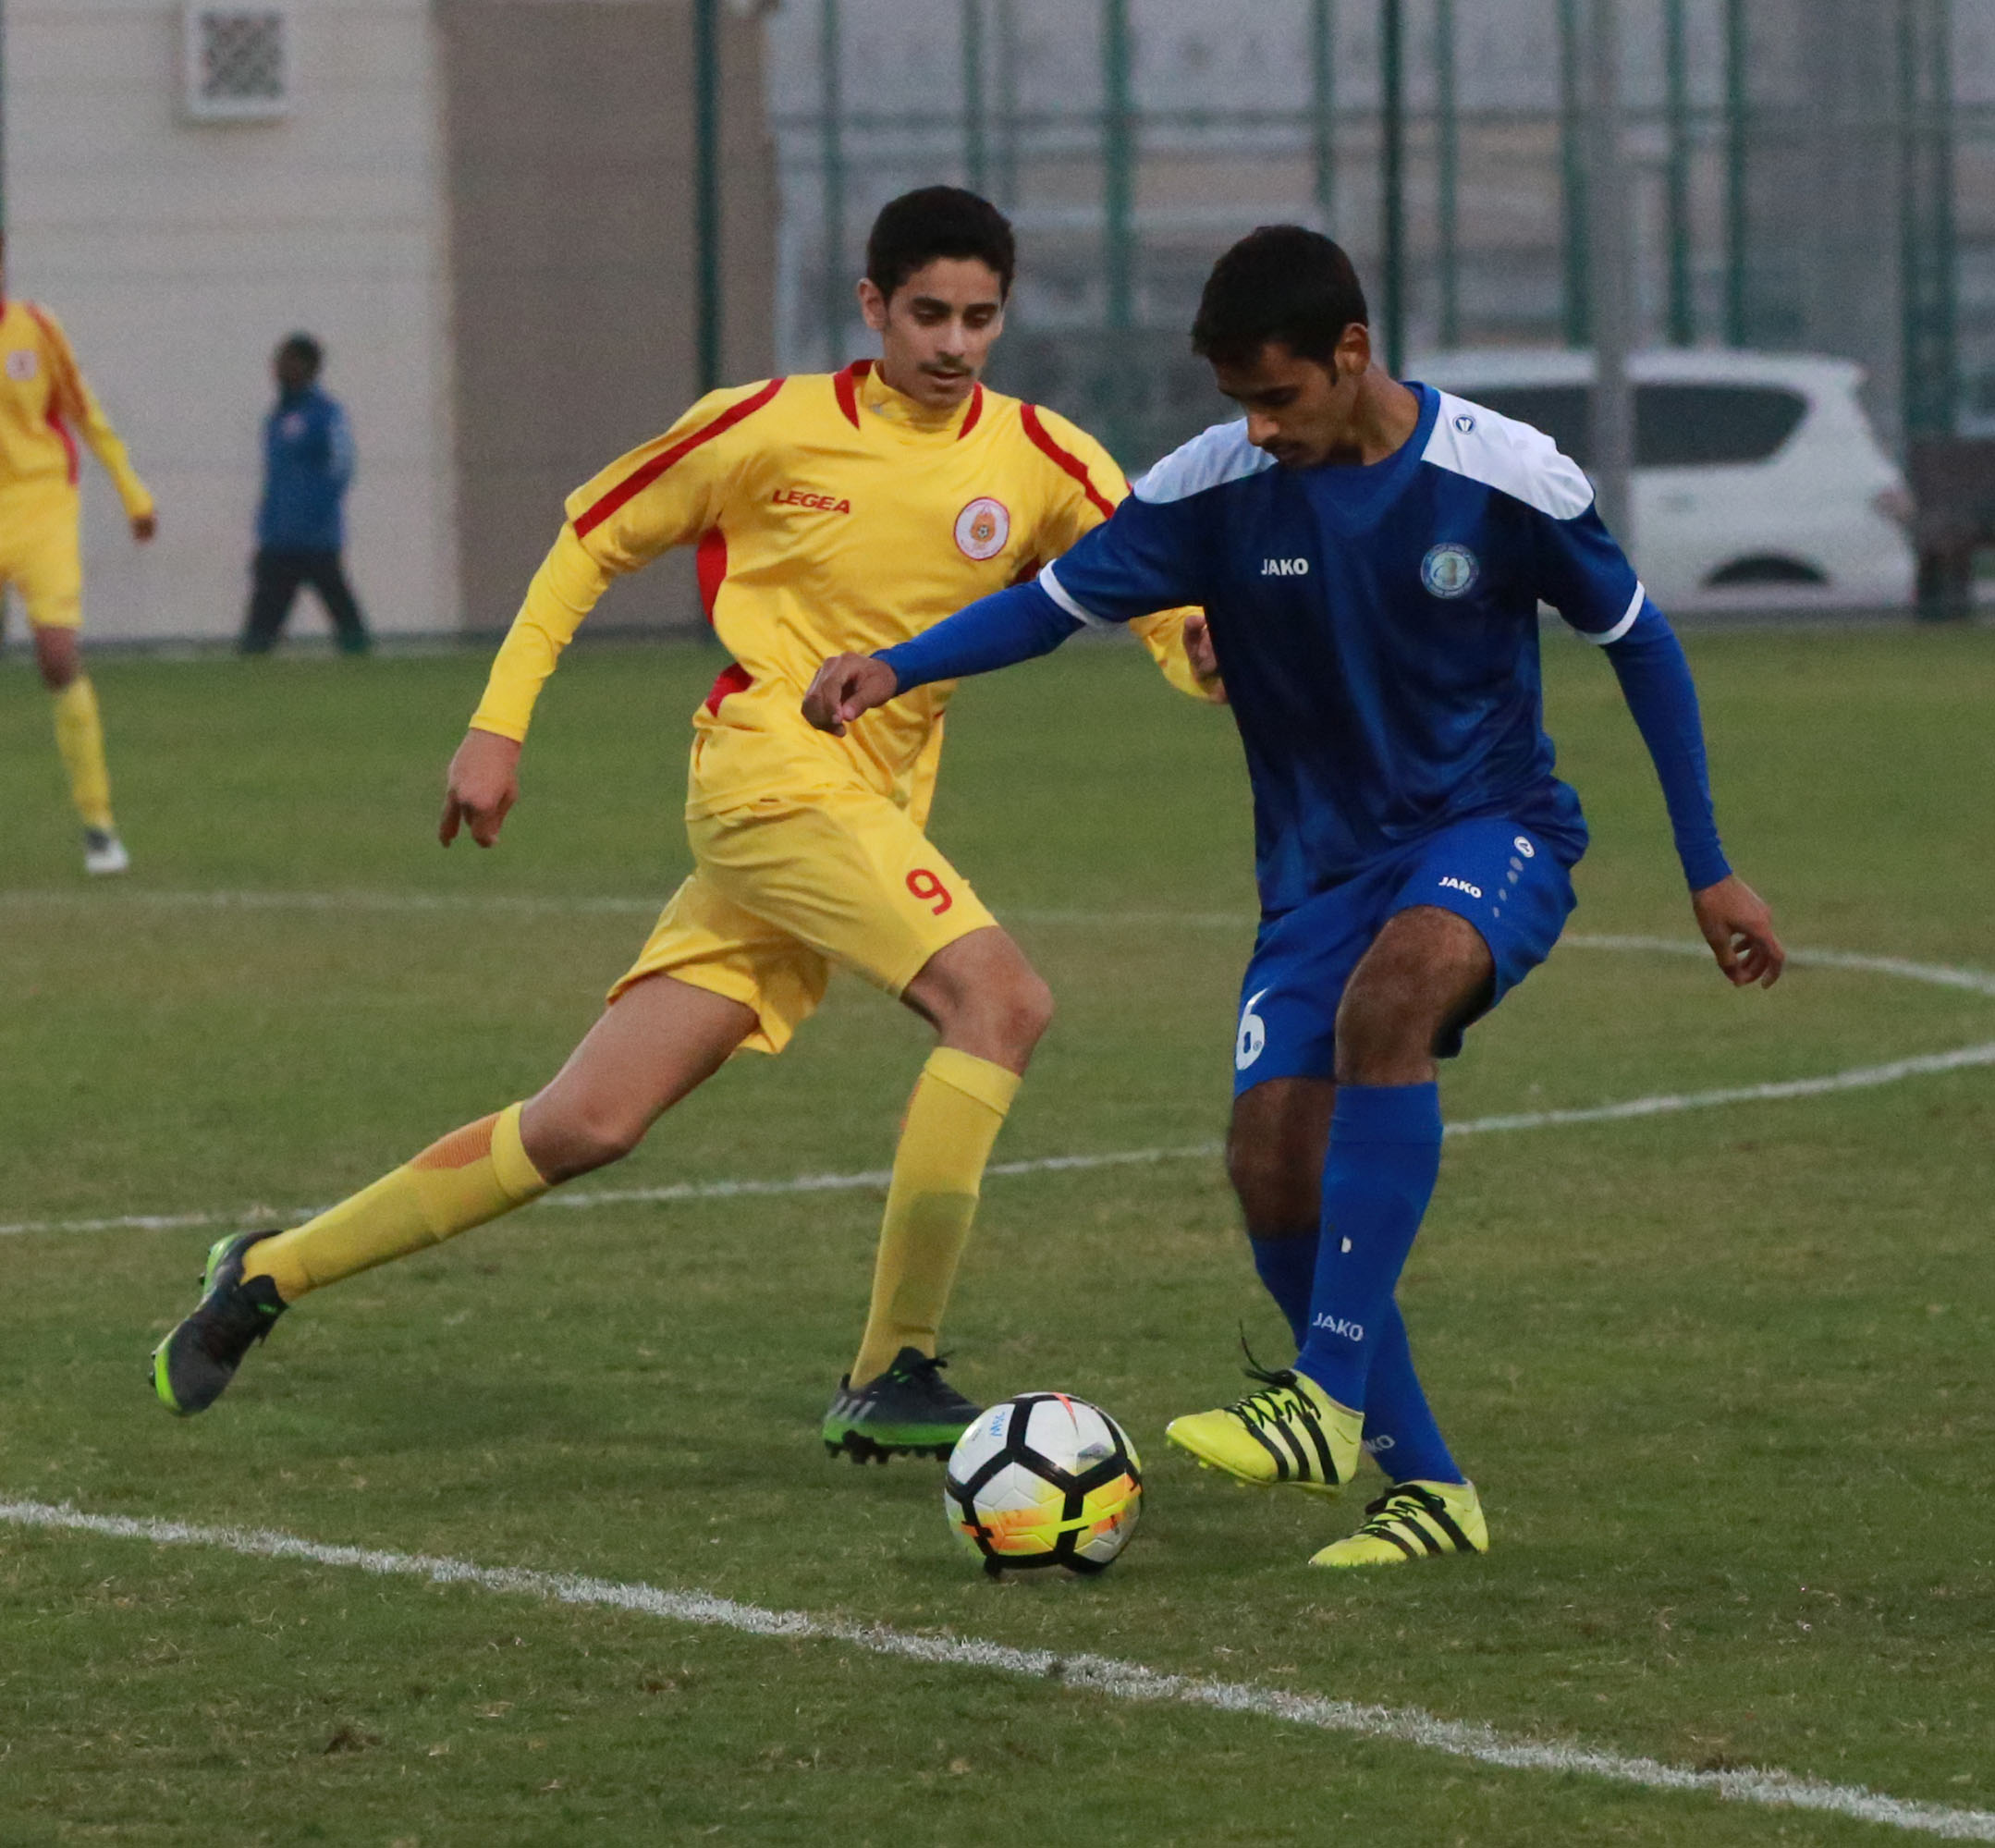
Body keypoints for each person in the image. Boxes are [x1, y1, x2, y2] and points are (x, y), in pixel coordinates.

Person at [153, 187, 1212, 1452]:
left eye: (977, 319)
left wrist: (1210, 650)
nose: (951, 343)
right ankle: (893, 1365)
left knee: (587, 1121)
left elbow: (1157, 595)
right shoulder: (764, 425)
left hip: (852, 814)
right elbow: (589, 542)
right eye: (926, 314)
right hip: (768, 776)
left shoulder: (1042, 455)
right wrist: (497, 724)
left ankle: (265, 1273)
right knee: (1002, 1002)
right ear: (872, 306)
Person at [804, 225, 1784, 1566]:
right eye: (1238, 403)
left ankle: (1320, 1396)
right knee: (1269, 1164)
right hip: (1315, 878)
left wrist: (1707, 864)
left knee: (1394, 995)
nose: (1259, 428)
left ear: (1352, 352)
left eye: (1278, 397)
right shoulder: (1211, 487)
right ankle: (1430, 1492)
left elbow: (1640, 644)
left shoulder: (1501, 473)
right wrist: (899, 664)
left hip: (1488, 829)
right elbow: (1050, 605)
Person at [0, 231, 155, 875]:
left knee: (58, 654)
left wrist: (132, 492)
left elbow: (84, 412)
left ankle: (98, 824)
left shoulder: (35, 329)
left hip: (41, 506)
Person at [239, 334, 370, 655]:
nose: (277, 368)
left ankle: (364, 662)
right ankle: (249, 671)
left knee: (344, 614)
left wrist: (315, 513)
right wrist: (266, 527)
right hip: (278, 541)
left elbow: (342, 467)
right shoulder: (277, 416)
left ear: (306, 366)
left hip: (317, 540)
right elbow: (275, 480)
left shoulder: (326, 414)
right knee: (260, 629)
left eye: (286, 360)